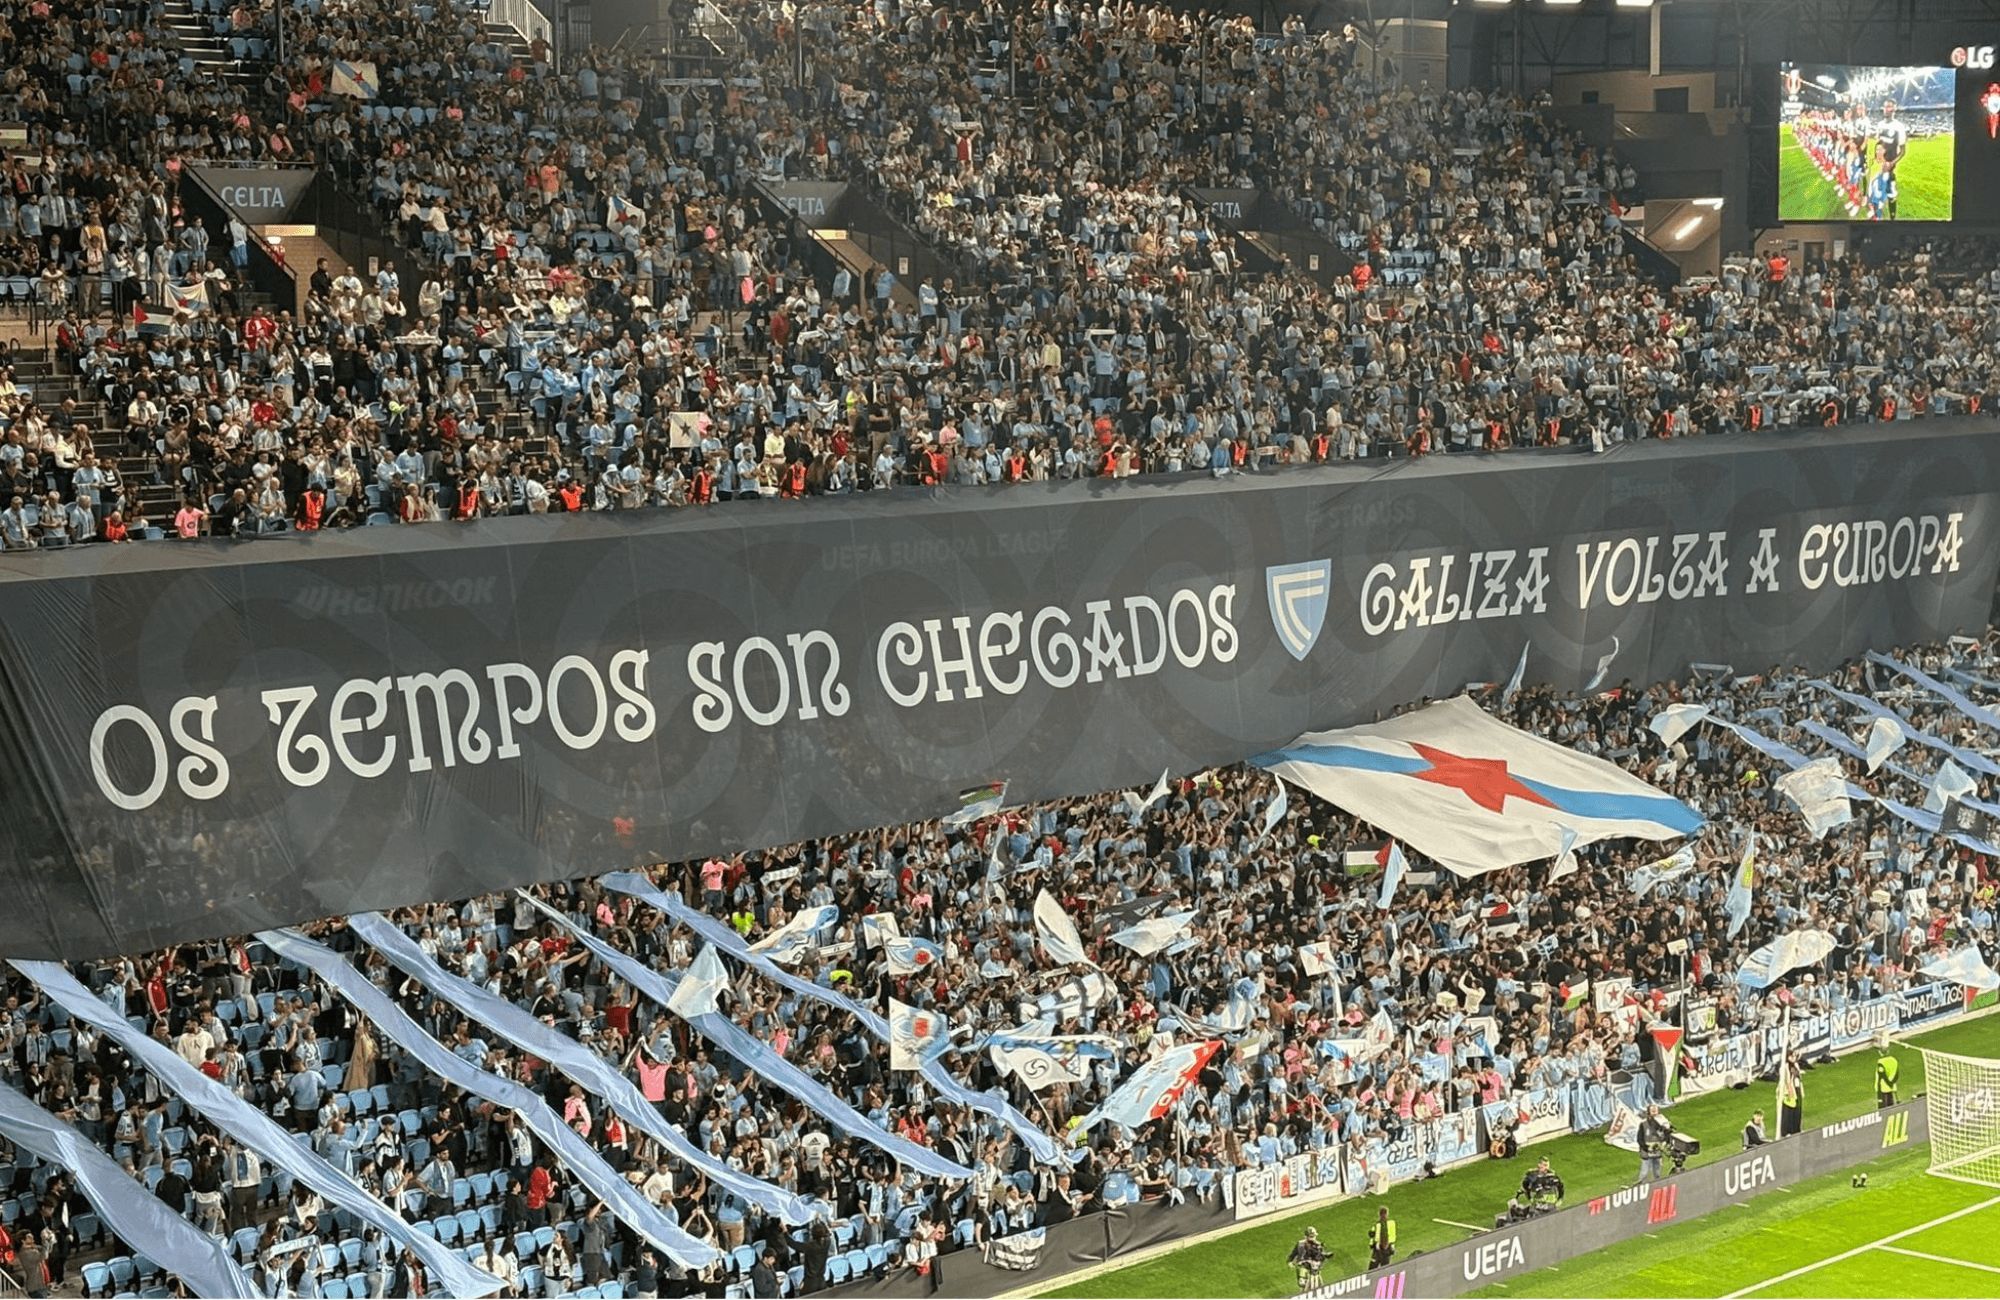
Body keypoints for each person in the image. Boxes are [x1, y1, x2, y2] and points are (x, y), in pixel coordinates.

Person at [1637, 1104, 1672, 1183]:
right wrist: (1645, 1147)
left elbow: (1667, 1135)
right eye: (1652, 1109)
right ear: (1648, 1111)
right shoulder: (1643, 1124)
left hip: (1658, 1151)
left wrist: (1664, 1144)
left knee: (1657, 1172)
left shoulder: (1663, 1122)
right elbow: (1640, 1138)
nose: (1654, 1110)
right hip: (1646, 1152)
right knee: (1644, 1172)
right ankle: (1640, 1185)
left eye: (1655, 1109)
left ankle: (1658, 1184)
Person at [1778, 1051, 1805, 1138]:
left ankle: (1796, 1129)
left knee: (1798, 1110)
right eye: (1791, 1056)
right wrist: (1789, 1090)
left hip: (1797, 1088)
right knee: (1788, 1111)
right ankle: (1786, 1131)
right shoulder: (1784, 1067)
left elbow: (1799, 1078)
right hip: (1788, 1090)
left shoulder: (1796, 1065)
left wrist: (1801, 1090)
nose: (1793, 1058)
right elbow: (1786, 1080)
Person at [1876, 1040, 1901, 1109]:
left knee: (1883, 1108)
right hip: (1892, 1086)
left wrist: (1888, 1084)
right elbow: (1897, 1073)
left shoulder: (1881, 1062)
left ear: (1880, 1053)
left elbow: (1882, 1076)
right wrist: (1892, 1083)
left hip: (1883, 1087)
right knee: (1891, 1106)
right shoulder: (1894, 1060)